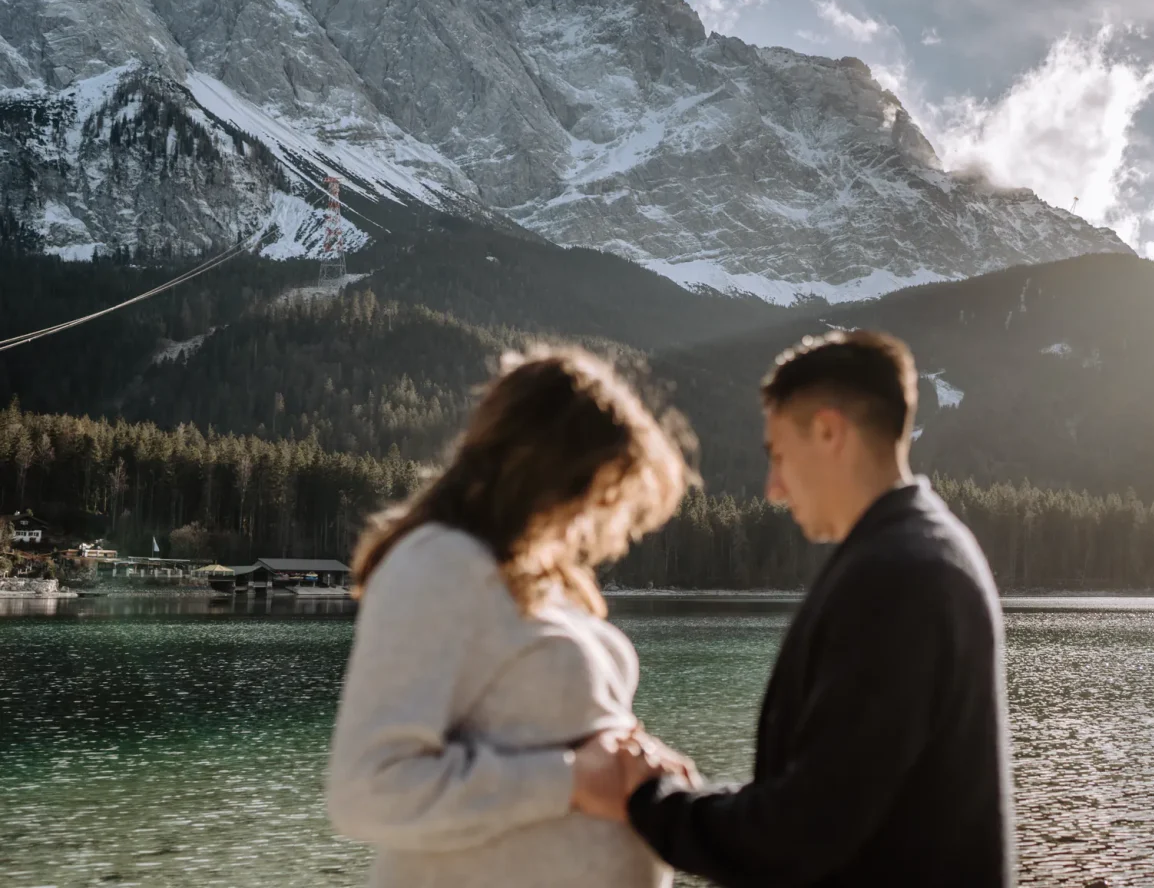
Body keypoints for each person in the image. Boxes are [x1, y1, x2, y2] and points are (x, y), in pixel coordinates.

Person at [573, 330, 1015, 887]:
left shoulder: (899, 576)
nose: (773, 488)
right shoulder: (917, 552)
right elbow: (832, 796)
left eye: (779, 456)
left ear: (830, 432)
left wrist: (648, 799)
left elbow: (806, 831)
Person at [327, 345, 700, 888]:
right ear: (554, 472)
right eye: (604, 494)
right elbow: (369, 790)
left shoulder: (541, 582)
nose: (605, 524)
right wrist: (569, 782)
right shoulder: (439, 563)